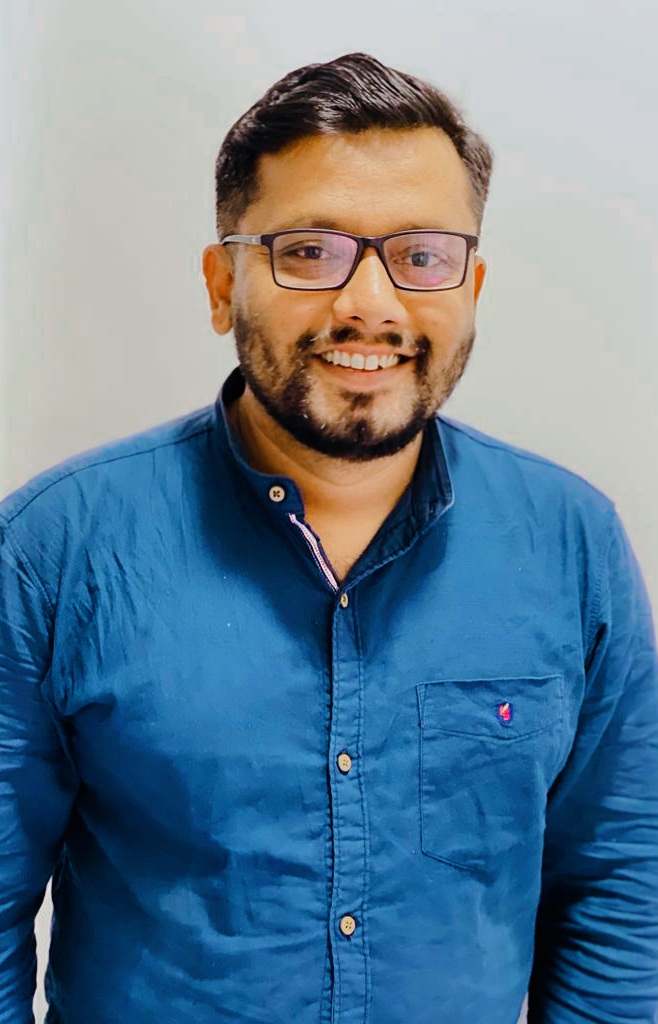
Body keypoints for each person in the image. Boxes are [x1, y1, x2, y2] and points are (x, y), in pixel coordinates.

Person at [0, 51, 656, 1024]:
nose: (371, 304)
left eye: (421, 256)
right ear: (222, 283)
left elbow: (618, 886)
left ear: (471, 286)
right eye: (310, 251)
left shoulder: (572, 543)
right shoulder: (56, 549)